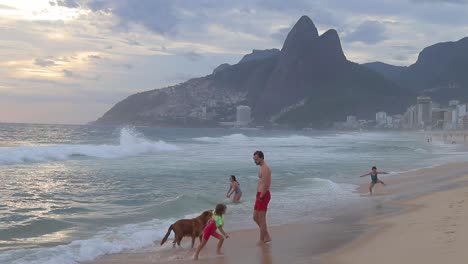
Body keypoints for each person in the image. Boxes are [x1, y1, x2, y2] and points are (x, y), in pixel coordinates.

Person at [253, 150, 272, 246]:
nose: (255, 161)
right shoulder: (261, 168)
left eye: (256, 159)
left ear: (261, 158)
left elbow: (267, 184)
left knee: (262, 218)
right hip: (259, 194)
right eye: (254, 159)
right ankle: (267, 235)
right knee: (255, 217)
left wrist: (261, 196)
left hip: (263, 195)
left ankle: (262, 239)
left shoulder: (266, 168)